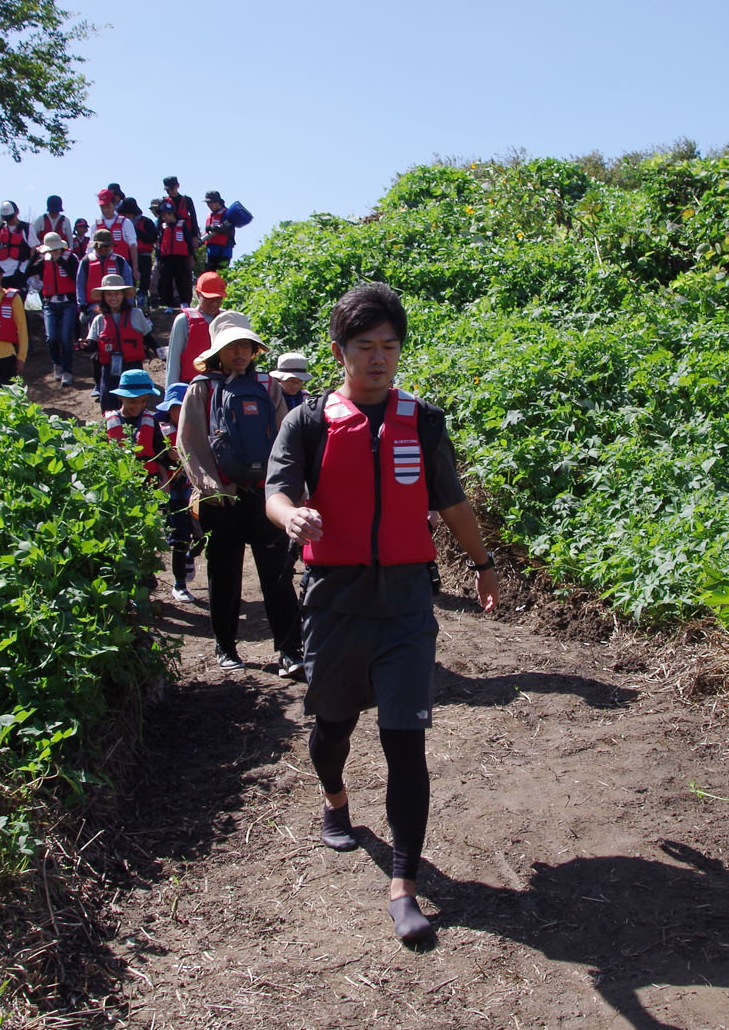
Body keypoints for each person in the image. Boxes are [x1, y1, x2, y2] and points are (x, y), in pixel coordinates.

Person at [264, 282, 499, 946]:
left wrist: (482, 565)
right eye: (364, 347)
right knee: (332, 728)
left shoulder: (421, 420)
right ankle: (336, 801)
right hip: (334, 602)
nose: (378, 359)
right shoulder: (307, 421)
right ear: (339, 351)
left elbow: (451, 502)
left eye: (389, 346)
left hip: (404, 605)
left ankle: (404, 884)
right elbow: (276, 492)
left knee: (406, 741)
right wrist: (292, 517)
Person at [176, 311, 304, 677]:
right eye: (233, 346)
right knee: (224, 573)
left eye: (246, 345)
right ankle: (225, 646)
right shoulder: (200, 389)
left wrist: (285, 489)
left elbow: (285, 440)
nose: (241, 352)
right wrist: (210, 487)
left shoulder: (269, 388)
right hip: (222, 499)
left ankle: (290, 650)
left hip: (265, 497)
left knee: (278, 574)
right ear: (219, 351)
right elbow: (190, 443)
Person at [155, 381, 201, 603]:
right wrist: (167, 457)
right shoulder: (161, 431)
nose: (181, 412)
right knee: (181, 536)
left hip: (197, 491)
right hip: (175, 494)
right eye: (177, 407)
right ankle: (179, 584)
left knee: (204, 534)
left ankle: (190, 557)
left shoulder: (199, 428)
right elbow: (154, 458)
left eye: (185, 406)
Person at [82, 273, 151, 411]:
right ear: (103, 297)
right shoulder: (99, 320)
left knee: (135, 403)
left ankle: (138, 431)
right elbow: (92, 345)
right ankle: (111, 430)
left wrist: (161, 352)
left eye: (117, 294)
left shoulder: (136, 314)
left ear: (123, 295)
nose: (113, 298)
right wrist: (84, 346)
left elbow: (148, 337)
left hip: (133, 367)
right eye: (109, 295)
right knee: (109, 403)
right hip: (109, 369)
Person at [33, 232, 81, 384]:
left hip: (68, 302)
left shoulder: (70, 258)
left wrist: (60, 261)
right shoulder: (44, 260)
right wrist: (35, 256)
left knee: (66, 338)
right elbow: (28, 271)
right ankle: (57, 364)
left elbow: (75, 275)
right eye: (50, 250)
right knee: (52, 338)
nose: (53, 252)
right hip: (50, 303)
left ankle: (68, 371)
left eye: (56, 249)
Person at [165, 272, 225, 389]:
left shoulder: (226, 319)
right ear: (198, 294)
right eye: (209, 299)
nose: (214, 303)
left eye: (219, 299)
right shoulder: (183, 321)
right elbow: (173, 361)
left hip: (221, 387)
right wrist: (172, 394)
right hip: (191, 387)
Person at [75, 229, 135, 323]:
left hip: (117, 305)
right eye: (100, 247)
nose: (103, 249)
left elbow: (128, 282)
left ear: (111, 246)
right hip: (93, 308)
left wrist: (129, 306)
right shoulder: (86, 261)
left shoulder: (120, 261)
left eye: (106, 246)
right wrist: (82, 308)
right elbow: (80, 285)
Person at [151, 198, 197, 310]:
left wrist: (191, 256)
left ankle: (184, 302)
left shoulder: (182, 225)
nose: (164, 218)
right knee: (166, 281)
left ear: (171, 213)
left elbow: (188, 241)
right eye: (162, 216)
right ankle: (169, 304)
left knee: (182, 280)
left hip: (181, 257)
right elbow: (160, 243)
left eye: (166, 215)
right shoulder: (163, 227)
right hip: (167, 258)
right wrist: (159, 257)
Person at [122, 196, 158, 307]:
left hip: (144, 255)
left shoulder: (146, 221)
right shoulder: (123, 223)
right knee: (129, 281)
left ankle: (144, 305)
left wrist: (136, 232)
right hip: (129, 256)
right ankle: (130, 304)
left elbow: (153, 238)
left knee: (144, 282)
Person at [0, 201, 34, 292]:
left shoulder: (27, 229)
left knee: (17, 303)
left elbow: (34, 251)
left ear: (17, 212)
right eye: (7, 218)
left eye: (11, 217)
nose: (9, 220)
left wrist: (31, 272)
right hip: (1, 275)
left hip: (20, 273)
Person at [95, 188, 139, 265]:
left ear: (114, 204)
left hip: (121, 266)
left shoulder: (125, 222)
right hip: (101, 266)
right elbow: (91, 247)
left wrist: (135, 267)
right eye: (102, 207)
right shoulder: (96, 225)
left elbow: (133, 245)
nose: (105, 210)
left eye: (108, 206)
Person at [202, 190, 236, 271]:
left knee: (221, 275)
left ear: (218, 202)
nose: (209, 205)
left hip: (223, 250)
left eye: (211, 202)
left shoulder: (227, 214)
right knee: (209, 274)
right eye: (207, 203)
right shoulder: (210, 215)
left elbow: (230, 231)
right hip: (211, 251)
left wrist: (215, 228)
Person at [163, 176, 199, 241]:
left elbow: (194, 218)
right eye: (168, 190)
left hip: (186, 234)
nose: (170, 191)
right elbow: (161, 220)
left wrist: (195, 236)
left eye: (172, 188)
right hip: (171, 235)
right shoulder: (164, 202)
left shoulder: (187, 200)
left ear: (177, 186)